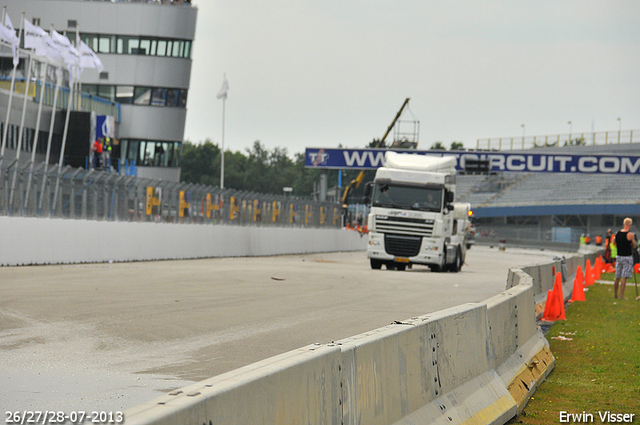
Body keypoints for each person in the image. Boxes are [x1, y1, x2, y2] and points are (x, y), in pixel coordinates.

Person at [613, 217, 636, 299]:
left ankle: (615, 294)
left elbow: (614, 242)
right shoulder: (630, 235)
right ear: (630, 225)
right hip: (627, 257)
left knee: (617, 276)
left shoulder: (617, 233)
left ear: (623, 224)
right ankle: (621, 295)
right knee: (624, 276)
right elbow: (634, 245)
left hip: (619, 256)